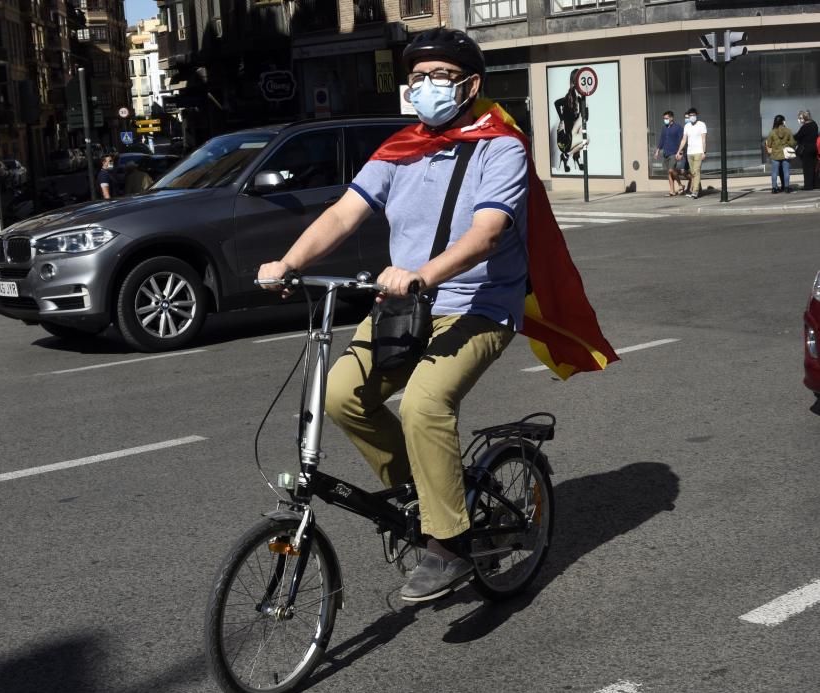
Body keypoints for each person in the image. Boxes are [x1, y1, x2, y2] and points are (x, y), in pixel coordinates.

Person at [258, 28, 617, 603]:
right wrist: (288, 262)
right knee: (340, 395)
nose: (425, 87)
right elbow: (344, 213)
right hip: (405, 307)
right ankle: (426, 494)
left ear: (471, 86)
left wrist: (423, 273)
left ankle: (448, 543)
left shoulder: (501, 148)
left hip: (477, 306)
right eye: (417, 78)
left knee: (425, 403)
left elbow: (487, 234)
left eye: (439, 78)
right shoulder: (400, 148)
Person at [554, 70, 587, 173]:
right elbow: (556, 103)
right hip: (567, 131)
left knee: (582, 137)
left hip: (574, 128)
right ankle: (569, 157)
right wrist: (561, 118)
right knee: (583, 139)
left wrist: (584, 108)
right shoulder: (570, 96)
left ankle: (574, 157)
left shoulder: (580, 97)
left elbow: (583, 115)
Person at [676, 108, 707, 199]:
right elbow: (684, 140)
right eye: (690, 115)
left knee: (696, 171)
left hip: (698, 152)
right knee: (693, 172)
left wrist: (704, 152)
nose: (692, 117)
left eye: (693, 115)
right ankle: (694, 189)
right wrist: (678, 151)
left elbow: (704, 139)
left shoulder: (702, 125)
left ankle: (695, 191)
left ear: (696, 115)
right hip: (690, 152)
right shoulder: (687, 126)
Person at [654, 110, 685, 196]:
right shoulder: (664, 128)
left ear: (671, 118)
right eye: (664, 118)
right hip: (666, 153)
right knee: (669, 173)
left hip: (674, 153)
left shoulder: (678, 127)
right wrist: (657, 151)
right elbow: (662, 140)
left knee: (672, 170)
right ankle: (672, 191)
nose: (665, 120)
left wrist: (680, 152)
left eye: (666, 118)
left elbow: (681, 140)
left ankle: (680, 184)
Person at [765, 115, 795, 194]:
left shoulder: (772, 132)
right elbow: (792, 143)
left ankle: (774, 188)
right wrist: (786, 143)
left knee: (774, 172)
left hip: (775, 155)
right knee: (786, 172)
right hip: (785, 155)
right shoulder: (788, 131)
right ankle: (787, 187)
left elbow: (769, 144)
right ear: (783, 121)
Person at [794, 110, 818, 191]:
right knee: (814, 166)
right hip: (814, 148)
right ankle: (816, 184)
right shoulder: (814, 124)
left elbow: (797, 136)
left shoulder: (804, 127)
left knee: (807, 168)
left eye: (800, 118)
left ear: (804, 118)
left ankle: (808, 186)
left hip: (806, 149)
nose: (800, 120)